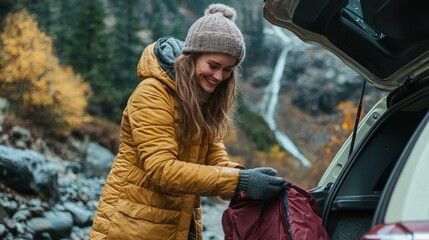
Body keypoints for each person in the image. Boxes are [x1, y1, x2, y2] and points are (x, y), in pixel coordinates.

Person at [89, 3, 284, 240]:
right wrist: (240, 181)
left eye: (227, 70)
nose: (219, 76)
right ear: (192, 56)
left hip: (178, 225)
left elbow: (216, 159)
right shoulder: (152, 93)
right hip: (132, 228)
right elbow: (163, 171)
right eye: (213, 66)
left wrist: (250, 179)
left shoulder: (201, 100)